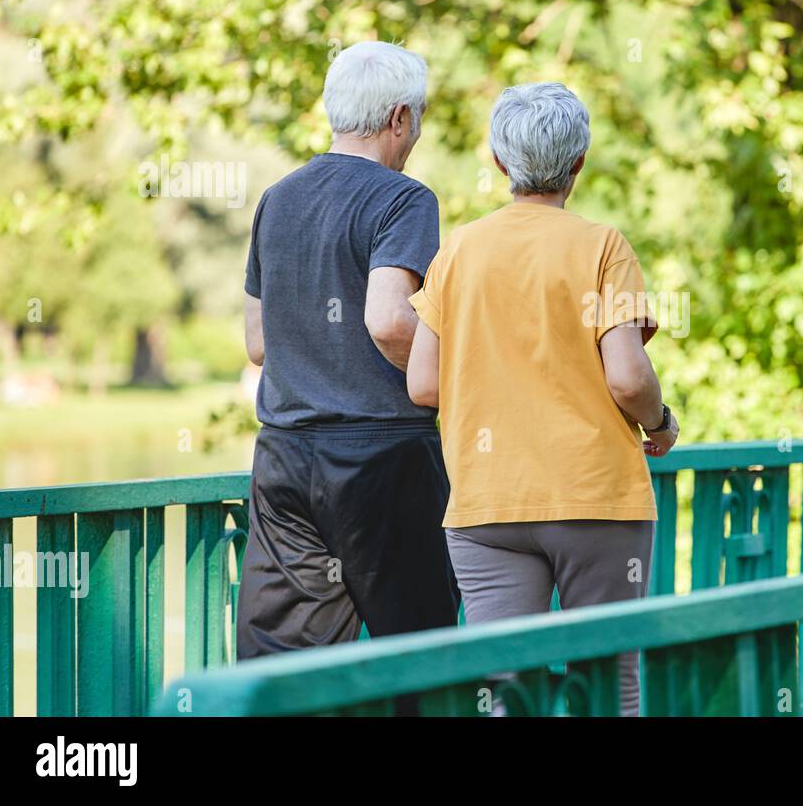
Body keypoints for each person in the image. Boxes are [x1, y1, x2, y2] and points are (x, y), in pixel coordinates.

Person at [406, 82, 679, 716]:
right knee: (611, 685)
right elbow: (629, 378)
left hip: (486, 501)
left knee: (505, 690)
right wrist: (660, 425)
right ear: (579, 161)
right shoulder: (602, 247)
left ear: (499, 162)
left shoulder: (459, 251)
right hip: (595, 497)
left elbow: (423, 384)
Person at [236, 41, 458, 657]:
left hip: (283, 457)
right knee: (417, 659)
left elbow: (258, 343)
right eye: (418, 117)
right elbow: (389, 320)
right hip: (382, 458)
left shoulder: (277, 198)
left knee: (281, 666)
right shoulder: (405, 198)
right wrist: (457, 372)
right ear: (398, 119)